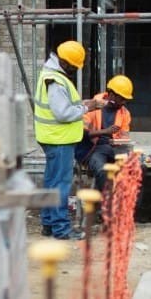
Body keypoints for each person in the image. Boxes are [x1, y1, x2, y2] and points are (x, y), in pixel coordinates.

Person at [35, 40, 105, 240]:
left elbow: (62, 105)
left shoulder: (51, 75)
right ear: (66, 63)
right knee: (60, 185)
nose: (75, 69)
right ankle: (61, 229)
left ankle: (49, 224)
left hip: (52, 138)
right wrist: (88, 108)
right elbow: (63, 113)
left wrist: (84, 104)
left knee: (51, 182)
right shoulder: (55, 81)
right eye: (74, 66)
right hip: (59, 140)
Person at [77, 75, 134, 193]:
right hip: (93, 149)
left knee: (137, 168)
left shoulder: (124, 113)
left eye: (126, 99)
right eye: (122, 98)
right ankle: (108, 206)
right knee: (102, 170)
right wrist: (105, 132)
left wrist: (123, 143)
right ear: (111, 94)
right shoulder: (92, 107)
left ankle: (128, 207)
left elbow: (124, 136)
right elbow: (82, 134)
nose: (124, 102)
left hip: (115, 149)